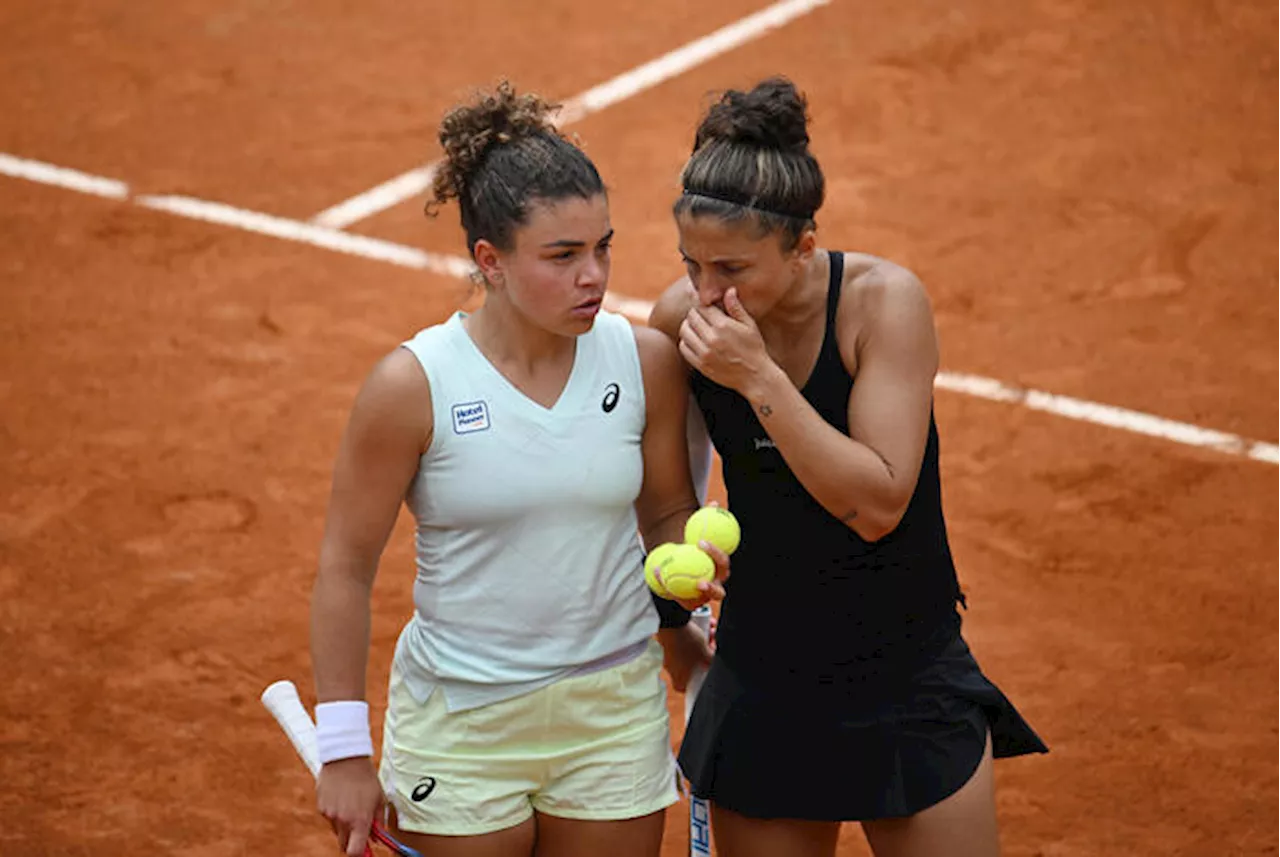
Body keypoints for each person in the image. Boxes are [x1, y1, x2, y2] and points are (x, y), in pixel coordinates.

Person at [308, 81, 727, 857]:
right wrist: (343, 748)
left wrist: (686, 576)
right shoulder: (412, 386)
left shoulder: (643, 361)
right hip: (463, 724)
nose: (593, 275)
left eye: (603, 246)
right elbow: (343, 568)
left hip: (612, 713)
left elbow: (665, 512)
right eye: (563, 256)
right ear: (490, 261)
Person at [648, 77, 1048, 857]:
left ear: (802, 247)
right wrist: (679, 625)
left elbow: (877, 502)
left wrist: (757, 377)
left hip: (906, 671)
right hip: (765, 681)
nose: (705, 291)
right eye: (690, 264)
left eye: (730, 268)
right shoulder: (678, 322)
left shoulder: (884, 304)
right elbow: (665, 502)